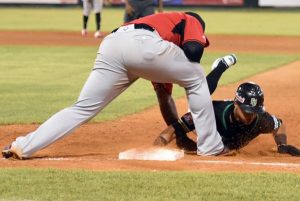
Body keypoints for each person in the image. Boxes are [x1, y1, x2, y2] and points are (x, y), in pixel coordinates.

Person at [2, 12, 227, 160]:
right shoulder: (190, 19)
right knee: (197, 77)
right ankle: (210, 147)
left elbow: (164, 98)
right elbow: (194, 50)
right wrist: (195, 65)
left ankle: (23, 146)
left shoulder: (164, 49)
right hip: (142, 43)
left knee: (82, 108)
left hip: (111, 45)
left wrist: (178, 132)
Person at [153, 57, 300, 157]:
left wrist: (282, 145)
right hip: (204, 116)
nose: (250, 116)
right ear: (236, 104)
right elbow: (173, 130)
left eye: (254, 112)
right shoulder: (212, 112)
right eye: (247, 112)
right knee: (199, 96)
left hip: (224, 143)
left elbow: (279, 125)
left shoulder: (260, 118)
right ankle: (221, 66)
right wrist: (155, 149)